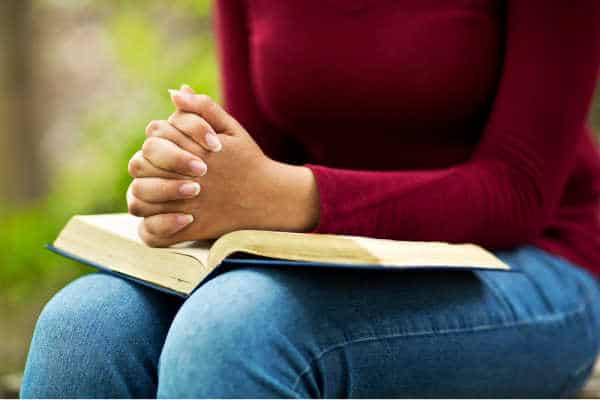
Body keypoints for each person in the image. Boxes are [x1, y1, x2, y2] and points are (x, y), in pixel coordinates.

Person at [21, 0, 600, 397]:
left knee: (235, 331)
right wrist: (190, 186)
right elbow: (258, 159)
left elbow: (519, 191)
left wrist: (298, 195)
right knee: (84, 325)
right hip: (328, 263)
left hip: (534, 264)